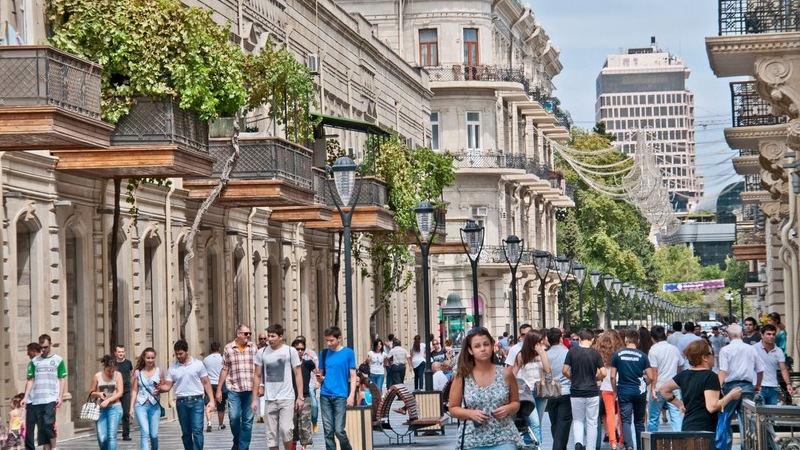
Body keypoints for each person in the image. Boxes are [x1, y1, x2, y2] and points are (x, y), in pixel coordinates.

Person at [448, 326, 521, 450]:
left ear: (492, 346)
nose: (483, 349)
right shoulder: (462, 376)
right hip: (472, 439)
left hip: (504, 437)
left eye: (486, 344)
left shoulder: (505, 373)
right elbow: (453, 408)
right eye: (477, 346)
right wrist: (470, 413)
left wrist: (508, 408)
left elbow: (516, 402)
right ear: (470, 350)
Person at [659, 340, 743, 432]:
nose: (714, 356)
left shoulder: (684, 375)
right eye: (712, 353)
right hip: (705, 429)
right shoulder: (710, 376)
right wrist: (730, 396)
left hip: (687, 426)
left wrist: (680, 405)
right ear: (704, 357)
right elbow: (712, 407)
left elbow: (663, 389)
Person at [251, 324, 303, 450]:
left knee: (286, 430)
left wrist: (300, 397)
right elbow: (257, 375)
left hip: (287, 397)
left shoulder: (290, 351)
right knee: (271, 434)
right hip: (270, 398)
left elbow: (298, 373)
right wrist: (254, 399)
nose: (270, 339)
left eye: (273, 336)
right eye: (269, 336)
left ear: (281, 337)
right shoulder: (261, 352)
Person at [159, 339, 216, 450]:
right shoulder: (173, 368)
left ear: (186, 351)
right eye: (176, 354)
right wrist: (159, 388)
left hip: (197, 401)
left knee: (197, 430)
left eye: (181, 353)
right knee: (186, 433)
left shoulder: (198, 364)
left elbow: (206, 382)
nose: (178, 356)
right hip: (181, 402)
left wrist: (212, 400)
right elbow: (168, 386)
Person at [718, 324, 764, 450]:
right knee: (747, 422)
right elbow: (760, 370)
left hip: (730, 388)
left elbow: (723, 371)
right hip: (748, 388)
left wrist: (717, 387)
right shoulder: (751, 349)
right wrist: (757, 386)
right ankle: (747, 447)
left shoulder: (725, 350)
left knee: (725, 418)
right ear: (742, 335)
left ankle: (726, 446)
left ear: (727, 335)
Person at [22, 334, 66, 450]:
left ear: (50, 344)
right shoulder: (34, 361)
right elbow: (31, 380)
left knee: (48, 423)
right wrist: (25, 397)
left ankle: (54, 447)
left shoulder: (58, 360)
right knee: (42, 429)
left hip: (51, 398)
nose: (43, 350)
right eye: (41, 347)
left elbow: (62, 379)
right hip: (37, 400)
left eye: (46, 347)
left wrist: (60, 396)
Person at [611, 330, 654, 450]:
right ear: (638, 341)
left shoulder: (617, 355)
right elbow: (650, 376)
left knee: (625, 420)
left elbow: (613, 376)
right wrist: (644, 384)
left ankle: (629, 445)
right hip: (639, 391)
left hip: (624, 391)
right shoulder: (642, 356)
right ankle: (641, 446)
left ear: (625, 340)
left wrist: (615, 390)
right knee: (639, 421)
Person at [563, 329, 605, 450]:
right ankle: (591, 447)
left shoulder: (572, 352)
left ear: (580, 339)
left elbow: (564, 370)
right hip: (592, 391)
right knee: (592, 422)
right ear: (592, 339)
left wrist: (572, 378)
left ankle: (578, 442)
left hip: (576, 391)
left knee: (578, 420)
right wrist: (597, 378)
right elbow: (603, 373)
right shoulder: (595, 354)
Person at [316, 326, 357, 450]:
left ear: (339, 338)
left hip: (341, 395)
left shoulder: (348, 353)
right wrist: (320, 379)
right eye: (327, 341)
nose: (329, 344)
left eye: (331, 340)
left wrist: (351, 396)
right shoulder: (323, 354)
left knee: (339, 430)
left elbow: (353, 376)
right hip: (325, 395)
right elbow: (321, 374)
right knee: (328, 431)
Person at [218, 324, 257, 450]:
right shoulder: (228, 348)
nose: (248, 336)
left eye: (249, 334)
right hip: (234, 389)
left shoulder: (253, 348)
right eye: (246, 333)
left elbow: (259, 369)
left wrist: (261, 385)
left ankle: (242, 447)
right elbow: (224, 369)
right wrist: (219, 389)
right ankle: (237, 440)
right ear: (238, 334)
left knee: (247, 421)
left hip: (250, 389)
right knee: (234, 417)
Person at [512, 329, 551, 446]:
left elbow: (547, 370)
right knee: (534, 422)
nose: (541, 343)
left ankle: (532, 445)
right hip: (526, 392)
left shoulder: (543, 353)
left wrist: (542, 354)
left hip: (541, 390)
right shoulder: (521, 355)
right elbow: (514, 373)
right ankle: (536, 446)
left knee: (537, 421)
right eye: (539, 341)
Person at [646, 326, 684, 432]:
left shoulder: (653, 350)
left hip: (658, 387)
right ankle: (678, 442)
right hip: (673, 387)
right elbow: (680, 366)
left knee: (653, 418)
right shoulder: (674, 348)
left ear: (652, 338)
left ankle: (652, 443)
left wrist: (653, 388)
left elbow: (654, 371)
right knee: (676, 417)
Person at [593, 330, 625, 450]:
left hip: (606, 387)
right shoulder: (621, 352)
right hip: (621, 386)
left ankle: (612, 442)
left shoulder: (600, 353)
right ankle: (622, 440)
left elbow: (599, 372)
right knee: (622, 415)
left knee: (609, 415)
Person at [130, 347, 164, 450]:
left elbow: (163, 387)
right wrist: (131, 407)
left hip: (154, 406)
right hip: (141, 405)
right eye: (148, 358)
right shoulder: (138, 373)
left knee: (153, 435)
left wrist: (159, 389)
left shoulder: (159, 372)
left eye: (152, 358)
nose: (150, 360)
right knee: (145, 432)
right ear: (144, 358)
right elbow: (135, 390)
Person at [89, 355, 124, 450]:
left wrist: (108, 400)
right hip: (101, 409)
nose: (111, 373)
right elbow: (91, 393)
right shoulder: (97, 376)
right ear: (104, 367)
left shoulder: (118, 375)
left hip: (115, 407)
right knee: (102, 438)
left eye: (113, 370)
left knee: (111, 436)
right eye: (109, 370)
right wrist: (98, 394)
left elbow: (120, 392)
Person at [545, 328, 572, 450]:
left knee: (554, 421)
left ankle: (559, 445)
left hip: (550, 389)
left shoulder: (546, 354)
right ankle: (559, 447)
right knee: (564, 422)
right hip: (566, 389)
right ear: (561, 338)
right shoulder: (567, 352)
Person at [754, 324, 795, 405]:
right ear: (762, 335)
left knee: (772, 415)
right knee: (759, 414)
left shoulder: (778, 351)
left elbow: (783, 369)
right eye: (768, 334)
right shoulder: (754, 348)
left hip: (773, 387)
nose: (771, 336)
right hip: (758, 387)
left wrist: (788, 384)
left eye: (773, 334)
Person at [291, 339, 315, 450]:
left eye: (302, 349)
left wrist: (314, 358)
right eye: (297, 349)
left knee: (305, 423)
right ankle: (293, 446)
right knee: (292, 424)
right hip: (291, 397)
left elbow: (318, 372)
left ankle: (304, 447)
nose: (300, 351)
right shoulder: (289, 365)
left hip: (305, 396)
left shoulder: (308, 364)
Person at [203, 342, 226, 433]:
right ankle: (220, 425)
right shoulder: (222, 358)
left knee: (209, 403)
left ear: (211, 349)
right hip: (219, 383)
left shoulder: (206, 359)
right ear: (219, 348)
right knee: (221, 405)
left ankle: (209, 422)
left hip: (209, 384)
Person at [114, 345, 134, 442]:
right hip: (115, 391)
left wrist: (131, 387)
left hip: (126, 390)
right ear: (115, 353)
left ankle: (126, 434)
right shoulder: (113, 363)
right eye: (119, 352)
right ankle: (113, 432)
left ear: (124, 352)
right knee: (115, 412)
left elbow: (130, 375)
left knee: (126, 413)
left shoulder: (128, 363)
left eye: (122, 352)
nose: (121, 354)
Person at [256, 332, 268, 423]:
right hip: (257, 373)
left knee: (263, 395)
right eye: (261, 339)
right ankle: (258, 414)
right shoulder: (255, 349)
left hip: (266, 374)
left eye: (264, 338)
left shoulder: (269, 348)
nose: (263, 340)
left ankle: (262, 414)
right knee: (257, 395)